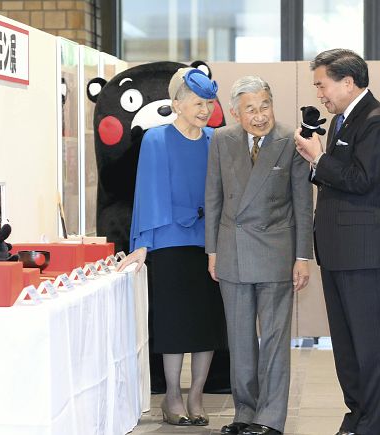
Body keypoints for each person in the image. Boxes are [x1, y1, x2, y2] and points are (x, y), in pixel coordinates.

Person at [294, 48, 380, 435]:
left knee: (370, 346)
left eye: (322, 85)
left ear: (347, 82)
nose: (319, 94)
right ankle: (357, 417)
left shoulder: (377, 122)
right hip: (339, 251)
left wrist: (319, 158)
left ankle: (373, 426)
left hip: (364, 252)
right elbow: (342, 177)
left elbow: (362, 180)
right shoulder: (344, 120)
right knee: (347, 346)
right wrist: (316, 161)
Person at [117, 67, 228, 426]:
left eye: (209, 103)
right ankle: (173, 396)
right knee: (174, 324)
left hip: (209, 245)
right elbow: (148, 193)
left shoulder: (215, 139)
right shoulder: (156, 139)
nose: (205, 110)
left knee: (206, 323)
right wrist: (143, 244)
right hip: (168, 242)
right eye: (198, 103)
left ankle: (196, 395)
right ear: (177, 104)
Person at [205, 76, 313, 435]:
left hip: (276, 253)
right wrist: (212, 250)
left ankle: (270, 418)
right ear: (236, 113)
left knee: (275, 340)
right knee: (240, 339)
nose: (260, 115)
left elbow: (303, 203)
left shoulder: (290, 140)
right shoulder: (222, 140)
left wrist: (303, 256)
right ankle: (245, 412)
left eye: (265, 105)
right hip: (232, 251)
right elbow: (213, 197)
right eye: (250, 109)